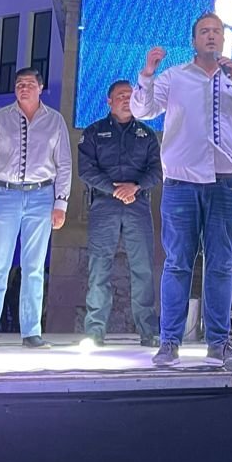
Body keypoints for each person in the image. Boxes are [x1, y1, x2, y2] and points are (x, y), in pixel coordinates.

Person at [132, 12, 232, 367]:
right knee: (178, 262)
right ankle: (169, 342)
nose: (211, 36)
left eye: (217, 32)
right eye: (205, 31)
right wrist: (147, 74)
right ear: (194, 41)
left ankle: (218, 342)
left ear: (223, 39)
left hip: (225, 181)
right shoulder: (174, 76)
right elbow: (142, 110)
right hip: (182, 181)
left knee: (221, 264)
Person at [0, 67, 73, 349]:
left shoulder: (55, 120)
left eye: (29, 83)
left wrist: (61, 203)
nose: (24, 88)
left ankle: (31, 331)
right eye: (19, 83)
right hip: (4, 195)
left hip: (41, 195)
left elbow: (64, 164)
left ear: (40, 87)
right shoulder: (0, 118)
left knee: (34, 267)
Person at [78, 80, 162, 347]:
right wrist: (114, 189)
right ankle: (95, 331)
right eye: (121, 95)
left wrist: (135, 187)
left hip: (137, 203)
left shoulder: (147, 134)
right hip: (104, 204)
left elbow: (157, 171)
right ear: (109, 101)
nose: (126, 99)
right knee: (99, 267)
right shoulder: (94, 132)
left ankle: (148, 331)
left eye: (130, 95)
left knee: (143, 268)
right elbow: (86, 170)